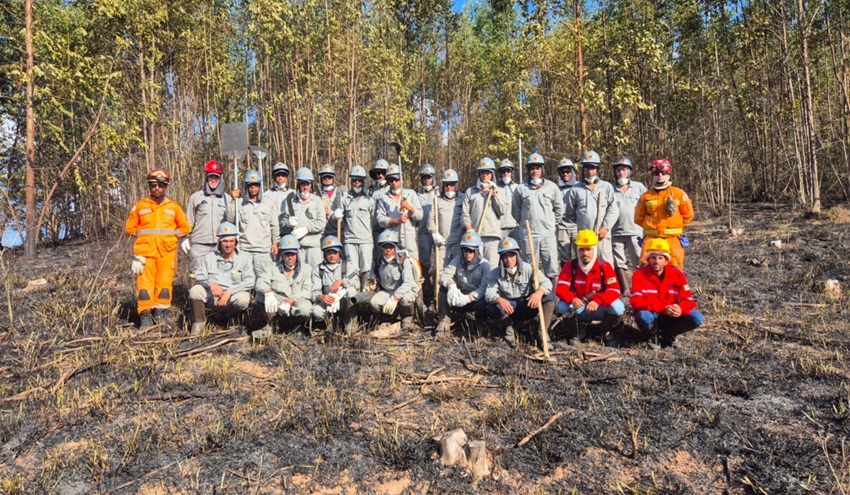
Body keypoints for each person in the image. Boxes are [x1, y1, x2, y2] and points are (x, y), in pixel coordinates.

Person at [125, 168, 191, 329]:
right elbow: (130, 228)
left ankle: (160, 314)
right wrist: (138, 252)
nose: (157, 188)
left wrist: (180, 238)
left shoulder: (173, 207)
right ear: (149, 186)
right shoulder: (140, 206)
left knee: (164, 285)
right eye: (153, 185)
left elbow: (185, 226)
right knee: (144, 286)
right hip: (145, 255)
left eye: (160, 186)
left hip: (167, 252)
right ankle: (145, 316)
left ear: (165, 187)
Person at [554, 229, 624, 347]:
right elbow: (560, 288)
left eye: (588, 249)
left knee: (618, 307)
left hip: (599, 307)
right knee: (561, 306)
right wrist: (573, 299)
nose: (585, 253)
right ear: (577, 250)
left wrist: (598, 300)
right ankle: (579, 331)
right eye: (581, 249)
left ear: (595, 249)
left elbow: (615, 290)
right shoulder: (571, 266)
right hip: (579, 307)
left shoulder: (604, 266)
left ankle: (605, 332)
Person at [629, 238, 703, 349]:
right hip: (653, 314)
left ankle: (668, 336)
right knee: (643, 316)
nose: (656, 261)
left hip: (672, 315)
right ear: (648, 259)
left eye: (660, 258)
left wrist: (680, 309)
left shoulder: (677, 275)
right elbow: (636, 302)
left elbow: (688, 299)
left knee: (697, 317)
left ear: (666, 260)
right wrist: (663, 308)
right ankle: (653, 336)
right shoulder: (639, 275)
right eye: (653, 257)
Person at [483, 237, 556, 348]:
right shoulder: (495, 274)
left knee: (550, 298)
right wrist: (499, 299)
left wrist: (539, 292)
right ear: (501, 258)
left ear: (517, 255)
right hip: (510, 308)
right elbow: (489, 293)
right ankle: (509, 330)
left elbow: (547, 283)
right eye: (505, 256)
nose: (509, 260)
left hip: (528, 304)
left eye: (511, 255)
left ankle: (542, 332)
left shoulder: (529, 268)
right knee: (490, 306)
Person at [187, 222, 255, 335]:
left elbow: (250, 280)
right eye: (225, 241)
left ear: (235, 242)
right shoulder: (210, 257)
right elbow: (198, 275)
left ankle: (231, 318)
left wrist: (230, 291)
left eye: (231, 241)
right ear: (219, 242)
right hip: (213, 297)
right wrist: (210, 283)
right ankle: (199, 322)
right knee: (195, 291)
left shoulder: (245, 258)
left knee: (243, 299)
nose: (228, 245)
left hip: (231, 298)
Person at [634, 159, 695, 268]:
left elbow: (688, 215)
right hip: (651, 240)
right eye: (657, 174)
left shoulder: (679, 194)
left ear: (669, 174)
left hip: (673, 240)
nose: (660, 176)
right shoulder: (646, 197)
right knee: (646, 269)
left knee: (675, 271)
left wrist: (675, 225)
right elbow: (638, 218)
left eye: (663, 173)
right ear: (653, 175)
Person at [513, 153, 564, 280]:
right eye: (532, 168)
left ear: (542, 169)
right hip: (529, 234)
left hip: (547, 234)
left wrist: (550, 223)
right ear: (528, 170)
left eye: (537, 168)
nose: (535, 171)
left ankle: (551, 298)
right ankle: (532, 296)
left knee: (551, 267)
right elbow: (515, 211)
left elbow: (559, 209)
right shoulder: (521, 189)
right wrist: (526, 224)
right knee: (529, 267)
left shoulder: (552, 187)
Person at [564, 150, 619, 265]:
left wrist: (606, 227)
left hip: (601, 235)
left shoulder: (606, 187)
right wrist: (582, 222)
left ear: (597, 169)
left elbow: (613, 209)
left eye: (593, 168)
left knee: (605, 265)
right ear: (583, 169)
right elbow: (570, 212)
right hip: (584, 237)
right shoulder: (575, 189)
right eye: (587, 168)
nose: (590, 171)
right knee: (586, 266)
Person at [226, 169, 280, 281]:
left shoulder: (268, 204)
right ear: (246, 186)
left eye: (256, 185)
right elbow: (230, 219)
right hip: (245, 249)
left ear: (260, 186)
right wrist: (232, 200)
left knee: (264, 279)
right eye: (250, 185)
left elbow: (274, 225)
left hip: (263, 249)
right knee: (245, 278)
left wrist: (275, 242)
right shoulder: (239, 203)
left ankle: (260, 298)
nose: (253, 188)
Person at [435, 231, 491, 335]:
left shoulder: (485, 265)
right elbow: (443, 275)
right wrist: (451, 285)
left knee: (485, 300)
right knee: (443, 289)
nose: (467, 254)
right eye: (465, 250)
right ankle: (444, 321)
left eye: (470, 251)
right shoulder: (457, 260)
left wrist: (469, 298)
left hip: (475, 300)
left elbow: (484, 288)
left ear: (477, 250)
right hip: (458, 298)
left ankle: (480, 323)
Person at [256, 234, 314, 333]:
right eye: (287, 254)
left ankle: (297, 326)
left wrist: (291, 300)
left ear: (297, 254)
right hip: (279, 301)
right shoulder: (273, 267)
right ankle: (273, 324)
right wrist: (267, 292)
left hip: (296, 301)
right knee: (260, 296)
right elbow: (260, 282)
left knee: (306, 308)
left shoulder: (306, 269)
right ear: (282, 255)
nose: (290, 257)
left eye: (292, 254)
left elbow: (307, 291)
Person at [183, 160, 231, 279]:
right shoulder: (196, 197)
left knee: (219, 274)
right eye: (211, 177)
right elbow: (189, 220)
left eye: (216, 177)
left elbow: (232, 221)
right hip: (200, 244)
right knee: (196, 273)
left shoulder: (228, 199)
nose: (213, 180)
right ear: (206, 178)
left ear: (220, 179)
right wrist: (185, 237)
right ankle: (194, 296)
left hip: (220, 244)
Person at [364, 230, 419, 332]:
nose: (388, 250)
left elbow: (408, 283)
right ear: (381, 248)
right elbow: (372, 279)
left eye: (391, 247)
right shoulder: (377, 262)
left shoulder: (403, 261)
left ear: (395, 248)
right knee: (374, 302)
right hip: (387, 291)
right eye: (385, 247)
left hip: (404, 290)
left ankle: (406, 319)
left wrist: (395, 297)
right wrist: (370, 286)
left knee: (406, 299)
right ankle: (388, 318)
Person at [610, 156, 647, 295]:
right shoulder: (610, 188)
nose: (621, 173)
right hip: (615, 232)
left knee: (639, 259)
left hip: (635, 231)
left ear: (629, 171)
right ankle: (625, 289)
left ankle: (641, 287)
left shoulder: (639, 187)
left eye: (624, 170)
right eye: (618, 170)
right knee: (619, 261)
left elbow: (646, 207)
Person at [462, 157, 508, 267]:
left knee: (491, 267)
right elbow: (465, 214)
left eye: (488, 173)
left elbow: (502, 211)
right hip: (475, 236)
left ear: (492, 174)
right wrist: (469, 229)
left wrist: (494, 195)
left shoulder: (499, 191)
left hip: (493, 236)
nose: (485, 176)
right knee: (476, 266)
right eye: (482, 172)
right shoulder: (470, 191)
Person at [279, 167, 327, 266]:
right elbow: (282, 221)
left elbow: (322, 222)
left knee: (315, 273)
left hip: (314, 245)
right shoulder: (290, 201)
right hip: (296, 246)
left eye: (307, 184)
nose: (305, 187)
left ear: (311, 185)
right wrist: (289, 223)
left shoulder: (317, 201)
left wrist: (308, 229)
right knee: (298, 273)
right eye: (302, 184)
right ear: (298, 184)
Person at [310, 235, 359, 331]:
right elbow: (313, 292)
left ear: (339, 253)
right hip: (328, 303)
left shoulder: (347, 265)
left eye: (335, 252)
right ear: (324, 253)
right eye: (329, 252)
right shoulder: (318, 269)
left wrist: (342, 281)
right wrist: (322, 297)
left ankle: (350, 323)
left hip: (344, 303)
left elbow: (356, 283)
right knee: (317, 311)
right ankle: (330, 324)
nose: (332, 255)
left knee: (351, 290)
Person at [375, 164, 423, 260]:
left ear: (401, 179)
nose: (394, 182)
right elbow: (380, 219)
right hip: (391, 237)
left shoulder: (411, 194)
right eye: (391, 180)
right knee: (393, 265)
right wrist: (397, 220)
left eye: (396, 179)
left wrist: (409, 208)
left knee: (412, 264)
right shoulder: (383, 198)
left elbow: (420, 216)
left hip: (408, 236)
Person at [339, 165, 376, 290]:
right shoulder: (345, 199)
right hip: (350, 240)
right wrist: (335, 215)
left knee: (366, 269)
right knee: (351, 270)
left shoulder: (370, 200)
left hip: (365, 240)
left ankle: (365, 298)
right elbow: (340, 219)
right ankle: (353, 299)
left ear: (363, 181)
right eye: (354, 180)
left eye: (359, 180)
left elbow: (374, 217)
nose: (357, 183)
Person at [428, 169, 465, 267]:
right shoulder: (437, 200)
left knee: (458, 271)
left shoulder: (463, 199)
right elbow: (431, 218)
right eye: (446, 184)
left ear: (456, 185)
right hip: (442, 244)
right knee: (440, 271)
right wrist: (434, 233)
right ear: (443, 186)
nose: (449, 187)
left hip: (458, 243)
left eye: (451, 185)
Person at [416, 164, 439, 303]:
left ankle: (437, 292)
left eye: (429, 178)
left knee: (437, 263)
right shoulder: (416, 195)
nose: (426, 180)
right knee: (424, 262)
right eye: (424, 178)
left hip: (436, 233)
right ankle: (427, 292)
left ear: (433, 178)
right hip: (423, 233)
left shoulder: (439, 194)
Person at [556, 158, 578, 264]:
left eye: (568, 171)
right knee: (564, 256)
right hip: (561, 227)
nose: (565, 174)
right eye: (563, 172)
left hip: (577, 226)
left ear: (572, 172)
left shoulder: (579, 186)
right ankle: (567, 279)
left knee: (581, 253)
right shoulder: (555, 188)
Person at [318, 164, 348, 238]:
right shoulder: (316, 195)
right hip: (323, 233)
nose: (327, 179)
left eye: (329, 177)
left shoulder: (341, 193)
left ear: (333, 178)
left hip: (339, 231)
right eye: (324, 177)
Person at [497, 159, 520, 241]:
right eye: (503, 172)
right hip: (500, 227)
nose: (506, 174)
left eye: (508, 171)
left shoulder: (518, 187)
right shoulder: (495, 188)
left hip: (515, 227)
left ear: (512, 173)